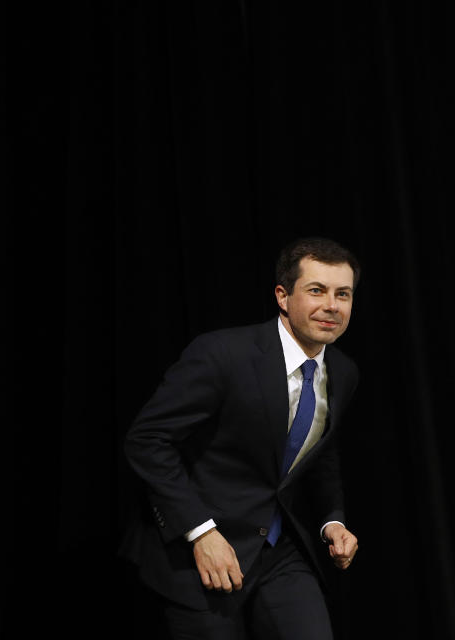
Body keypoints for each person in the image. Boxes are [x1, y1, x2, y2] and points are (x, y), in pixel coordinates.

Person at [121, 237, 361, 639]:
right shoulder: (223, 354)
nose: (332, 306)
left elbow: (322, 452)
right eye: (316, 290)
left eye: (343, 294)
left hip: (280, 550)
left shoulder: (343, 371)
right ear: (283, 296)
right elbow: (147, 440)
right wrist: (200, 531)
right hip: (198, 549)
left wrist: (331, 521)